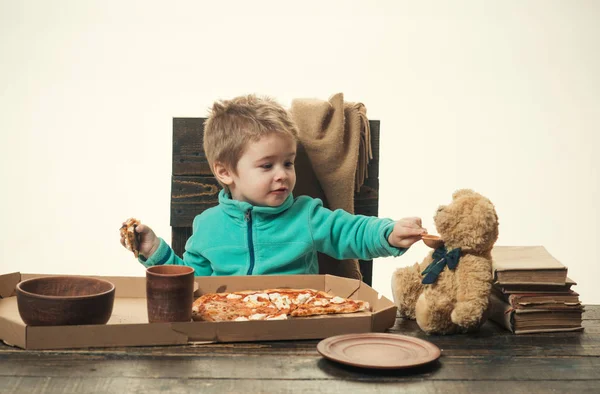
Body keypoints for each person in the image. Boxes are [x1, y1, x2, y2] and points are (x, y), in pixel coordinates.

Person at [120, 94, 426, 276]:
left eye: (288, 163)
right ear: (226, 172)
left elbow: (350, 232)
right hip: (227, 333)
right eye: (267, 166)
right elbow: (193, 281)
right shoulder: (207, 226)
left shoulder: (306, 215)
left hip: (297, 325)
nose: (282, 174)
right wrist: (154, 251)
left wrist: (389, 232)